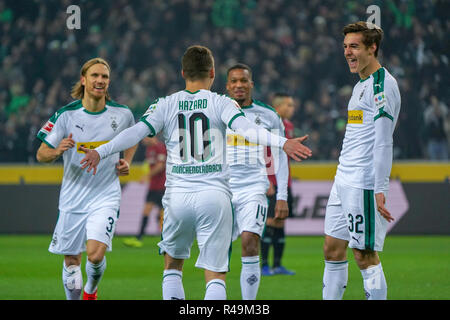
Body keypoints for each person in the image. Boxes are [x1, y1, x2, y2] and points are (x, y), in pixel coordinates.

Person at [79, 45, 312, 300]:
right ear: (212, 73)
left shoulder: (165, 104)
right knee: (215, 274)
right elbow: (247, 129)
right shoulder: (222, 103)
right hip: (214, 196)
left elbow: (136, 132)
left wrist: (101, 151)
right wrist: (283, 142)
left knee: (172, 267)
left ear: (182, 73)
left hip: (178, 197)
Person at [36, 58, 137, 300]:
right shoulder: (66, 115)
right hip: (73, 197)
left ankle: (91, 291)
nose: (100, 80)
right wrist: (57, 151)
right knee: (72, 263)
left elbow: (133, 137)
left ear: (108, 81)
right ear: (84, 79)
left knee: (95, 254)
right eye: (95, 76)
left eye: (104, 76)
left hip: (105, 194)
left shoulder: (122, 114)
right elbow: (41, 154)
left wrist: (127, 161)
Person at [322, 22, 401, 300]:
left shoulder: (382, 86)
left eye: (354, 46)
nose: (347, 52)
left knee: (364, 254)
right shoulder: (361, 86)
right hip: (343, 178)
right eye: (345, 47)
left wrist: (380, 188)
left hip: (364, 182)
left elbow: (383, 141)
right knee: (332, 249)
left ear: (372, 48)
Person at [225, 65, 299, 299]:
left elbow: (280, 156)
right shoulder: (217, 111)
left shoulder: (268, 115)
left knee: (250, 241)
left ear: (251, 85)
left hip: (254, 187)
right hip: (222, 188)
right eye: (234, 81)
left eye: (243, 81)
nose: (239, 85)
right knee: (218, 251)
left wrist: (282, 196)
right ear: (227, 85)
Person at [261, 93, 297, 276]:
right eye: (289, 105)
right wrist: (266, 180)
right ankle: (264, 265)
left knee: (280, 223)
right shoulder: (268, 124)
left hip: (285, 182)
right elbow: (262, 152)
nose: (292, 108)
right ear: (278, 106)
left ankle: (277, 265)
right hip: (271, 182)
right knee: (269, 222)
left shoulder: (288, 126)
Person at [123, 136, 167, 248]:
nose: (143, 141)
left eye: (145, 138)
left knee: (164, 214)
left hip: (163, 186)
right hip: (153, 186)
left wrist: (147, 175)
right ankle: (138, 238)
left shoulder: (160, 148)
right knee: (147, 211)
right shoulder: (149, 150)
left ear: (152, 136)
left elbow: (161, 165)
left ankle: (167, 238)